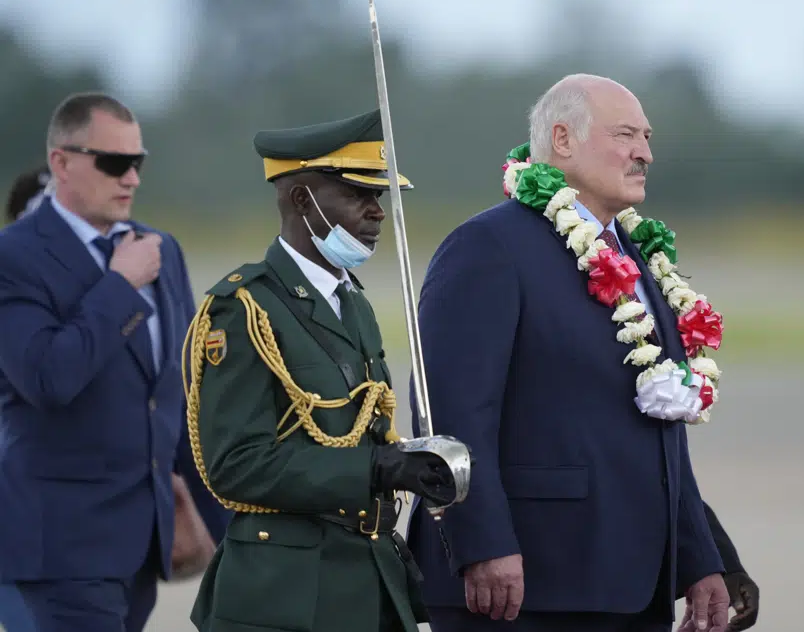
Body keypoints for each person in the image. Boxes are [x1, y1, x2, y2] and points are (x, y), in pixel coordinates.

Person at [407, 73, 748, 632]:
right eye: (625, 135)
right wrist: (482, 542)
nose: (645, 153)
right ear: (562, 141)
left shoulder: (638, 255)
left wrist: (700, 558)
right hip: (523, 586)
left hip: (632, 586)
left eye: (647, 136)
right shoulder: (489, 247)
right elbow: (450, 413)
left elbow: (663, 429)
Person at [185, 109, 464, 632]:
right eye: (360, 195)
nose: (377, 211)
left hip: (366, 580)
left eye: (378, 196)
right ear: (300, 199)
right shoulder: (245, 309)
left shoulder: (350, 302)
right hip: (287, 594)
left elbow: (360, 428)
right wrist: (373, 470)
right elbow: (236, 465)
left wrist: (409, 461)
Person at [0, 92, 230, 632]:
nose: (131, 178)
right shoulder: (15, 257)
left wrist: (229, 531)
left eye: (138, 162)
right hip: (60, 550)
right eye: (114, 163)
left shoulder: (160, 249)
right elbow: (49, 378)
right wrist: (120, 285)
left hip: (142, 550)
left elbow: (184, 397)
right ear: (61, 162)